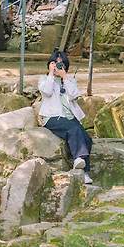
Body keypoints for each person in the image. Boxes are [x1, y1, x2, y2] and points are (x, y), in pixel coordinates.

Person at [38, 49, 93, 184]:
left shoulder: (70, 80)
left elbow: (74, 95)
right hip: (51, 117)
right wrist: (51, 74)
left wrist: (65, 78)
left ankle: (82, 170)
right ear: (49, 65)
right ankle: (80, 163)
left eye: (60, 64)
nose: (57, 66)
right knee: (74, 129)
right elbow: (47, 92)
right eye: (54, 63)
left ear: (65, 66)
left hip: (69, 117)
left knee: (87, 139)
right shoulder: (44, 79)